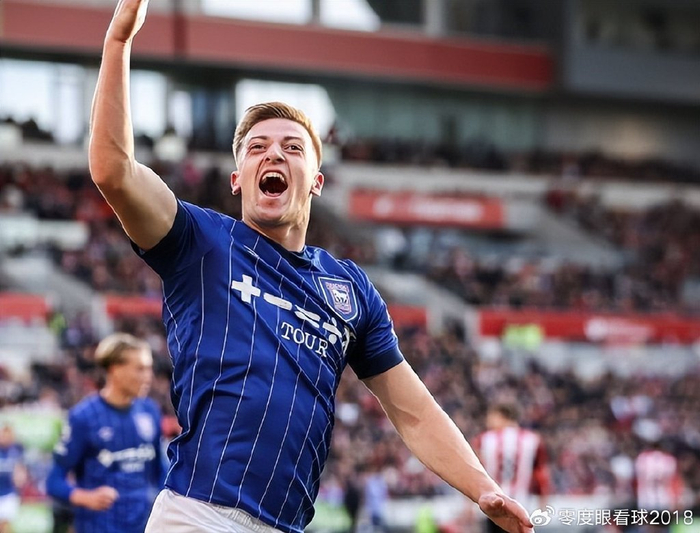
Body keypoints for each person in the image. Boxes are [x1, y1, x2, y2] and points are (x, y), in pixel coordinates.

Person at [88, 2, 535, 532]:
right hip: (198, 514)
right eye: (257, 147)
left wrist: (483, 487)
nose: (273, 155)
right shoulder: (200, 242)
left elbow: (413, 410)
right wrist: (118, 43)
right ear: (237, 178)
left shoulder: (350, 289)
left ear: (317, 181)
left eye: (293, 148)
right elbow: (113, 171)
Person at [47, 333, 165, 533]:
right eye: (140, 368)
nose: (148, 376)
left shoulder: (149, 411)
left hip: (143, 526)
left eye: (149, 368)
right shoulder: (83, 417)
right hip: (99, 526)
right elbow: (54, 481)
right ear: (115, 369)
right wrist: (86, 498)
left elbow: (161, 471)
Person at [474, 403, 550, 533]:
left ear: (502, 416)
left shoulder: (484, 439)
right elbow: (541, 474)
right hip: (521, 502)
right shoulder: (532, 440)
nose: (488, 421)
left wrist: (469, 502)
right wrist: (543, 500)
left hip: (491, 502)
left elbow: (476, 470)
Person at [0, 424, 26, 533]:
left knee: (5, 525)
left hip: (9, 494)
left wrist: (20, 479)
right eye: (3, 435)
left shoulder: (16, 451)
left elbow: (21, 473)